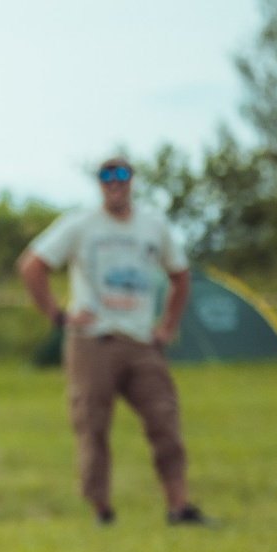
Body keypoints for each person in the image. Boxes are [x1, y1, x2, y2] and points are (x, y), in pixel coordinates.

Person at [18, 157, 208, 525]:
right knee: (92, 424)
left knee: (164, 416)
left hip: (140, 339)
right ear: (99, 184)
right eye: (106, 178)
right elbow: (31, 265)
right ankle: (101, 510)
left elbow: (180, 275)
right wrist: (58, 316)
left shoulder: (153, 225)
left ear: (132, 182)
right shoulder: (80, 224)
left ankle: (178, 508)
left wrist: (166, 327)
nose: (114, 184)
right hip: (93, 339)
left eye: (121, 177)